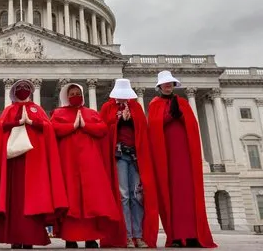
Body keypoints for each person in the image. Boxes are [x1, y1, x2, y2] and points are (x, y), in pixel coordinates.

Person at [0, 79, 68, 249]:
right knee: (14, 199)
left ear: (31, 91)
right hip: (13, 162)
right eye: (20, 88)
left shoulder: (37, 109)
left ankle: (30, 238)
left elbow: (48, 127)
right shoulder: (9, 110)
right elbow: (0, 127)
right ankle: (15, 237)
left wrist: (31, 122)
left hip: (35, 161)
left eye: (26, 88)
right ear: (14, 91)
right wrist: (16, 122)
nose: (23, 90)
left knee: (34, 198)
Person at [147, 71, 216, 248]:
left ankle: (193, 235)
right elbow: (153, 128)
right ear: (159, 86)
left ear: (174, 85)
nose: (168, 85)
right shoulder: (154, 104)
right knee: (171, 194)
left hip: (184, 154)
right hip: (167, 155)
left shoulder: (184, 103)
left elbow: (193, 127)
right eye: (165, 83)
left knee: (189, 194)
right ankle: (176, 236)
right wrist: (170, 116)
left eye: (170, 83)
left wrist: (181, 115)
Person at [50, 83, 118, 249]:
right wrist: (72, 126)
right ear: (67, 96)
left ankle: (90, 238)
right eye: (72, 93)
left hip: (89, 162)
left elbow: (102, 128)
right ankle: (70, 238)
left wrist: (84, 126)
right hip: (68, 162)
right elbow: (53, 129)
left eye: (77, 93)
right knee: (70, 199)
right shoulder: (59, 113)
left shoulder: (91, 113)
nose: (75, 95)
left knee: (91, 200)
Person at [99, 79, 158, 249]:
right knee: (123, 195)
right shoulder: (107, 108)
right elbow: (103, 130)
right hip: (118, 156)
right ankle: (127, 236)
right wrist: (117, 120)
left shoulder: (136, 107)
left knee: (137, 196)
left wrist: (131, 119)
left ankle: (138, 235)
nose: (124, 99)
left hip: (135, 156)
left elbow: (143, 130)